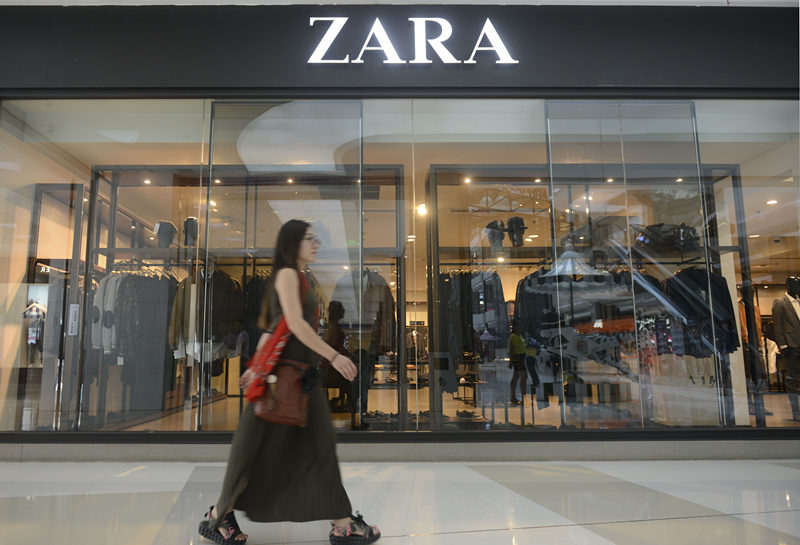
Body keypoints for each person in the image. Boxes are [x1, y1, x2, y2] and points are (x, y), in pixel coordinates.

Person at [198, 219, 381, 545]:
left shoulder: (298, 277)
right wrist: (334, 356)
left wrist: (255, 366)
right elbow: (293, 324)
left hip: (297, 379)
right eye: (309, 239)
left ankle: (342, 522)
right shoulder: (287, 275)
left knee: (315, 448)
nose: (316, 244)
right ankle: (219, 516)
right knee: (254, 451)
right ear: (292, 243)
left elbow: (273, 328)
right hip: (284, 381)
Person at [508, 321, 527, 404]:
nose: (520, 327)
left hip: (521, 358)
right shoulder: (513, 336)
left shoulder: (519, 335)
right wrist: (511, 361)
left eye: (520, 325)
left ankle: (513, 397)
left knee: (516, 377)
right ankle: (523, 398)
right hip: (518, 358)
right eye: (518, 326)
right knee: (523, 376)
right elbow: (511, 349)